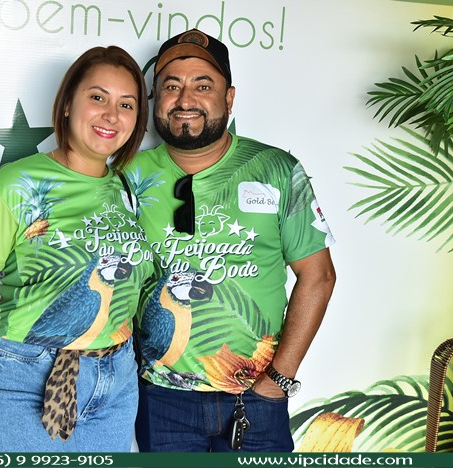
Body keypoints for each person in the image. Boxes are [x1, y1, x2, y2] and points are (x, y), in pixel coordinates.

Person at [124, 29, 337, 452]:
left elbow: (318, 277)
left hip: (257, 397)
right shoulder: (127, 176)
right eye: (171, 86)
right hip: (159, 399)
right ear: (155, 99)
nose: (185, 99)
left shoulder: (277, 169)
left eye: (203, 86)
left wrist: (277, 380)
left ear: (230, 97)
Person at [0, 45, 152, 452]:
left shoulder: (131, 190)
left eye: (126, 104)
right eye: (98, 97)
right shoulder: (15, 185)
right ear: (67, 105)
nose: (111, 115)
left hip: (116, 382)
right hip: (23, 379)